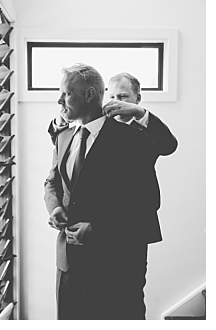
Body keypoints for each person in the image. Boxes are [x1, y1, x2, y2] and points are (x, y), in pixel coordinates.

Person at [44, 64, 156, 319]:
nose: (59, 100)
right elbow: (52, 183)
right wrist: (55, 207)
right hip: (68, 264)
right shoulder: (63, 137)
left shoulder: (132, 138)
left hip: (116, 265)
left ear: (89, 94)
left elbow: (147, 201)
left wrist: (99, 228)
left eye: (66, 93)